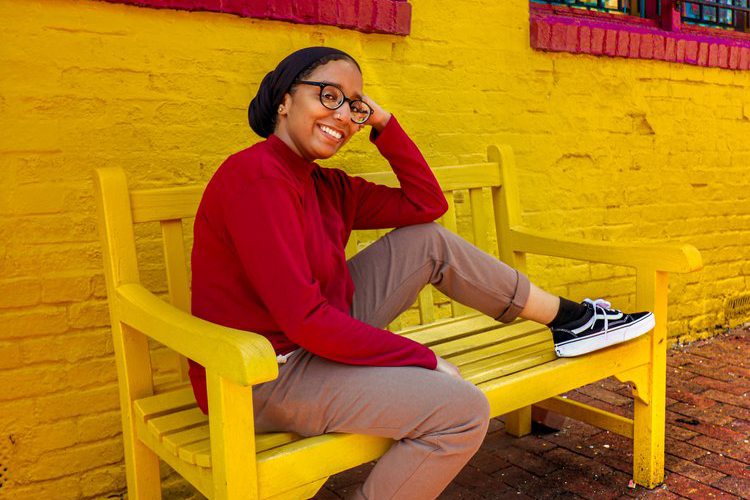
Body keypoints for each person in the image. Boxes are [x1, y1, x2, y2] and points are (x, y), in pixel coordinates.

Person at [188, 46, 654, 500]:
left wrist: (386, 125)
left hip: (312, 339)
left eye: (355, 106)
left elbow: (426, 205)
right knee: (462, 412)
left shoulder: (327, 185)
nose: (343, 116)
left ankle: (570, 321)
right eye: (327, 96)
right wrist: (423, 358)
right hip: (261, 375)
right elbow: (303, 320)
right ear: (285, 100)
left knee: (426, 240)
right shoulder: (257, 178)